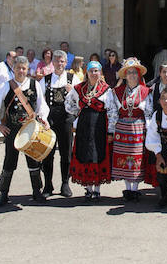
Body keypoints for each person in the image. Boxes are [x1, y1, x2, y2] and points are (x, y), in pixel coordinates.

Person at [0, 55, 50, 206]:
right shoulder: (6, 86)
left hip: (31, 129)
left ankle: (37, 192)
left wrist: (44, 119)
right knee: (9, 161)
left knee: (34, 160)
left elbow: (42, 106)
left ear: (28, 69)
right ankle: (3, 193)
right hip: (13, 130)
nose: (21, 71)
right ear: (13, 69)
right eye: (18, 68)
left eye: (23, 68)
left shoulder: (34, 84)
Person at [65, 60, 118, 200]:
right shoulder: (79, 89)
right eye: (91, 71)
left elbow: (112, 111)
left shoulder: (106, 89)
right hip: (84, 126)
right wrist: (77, 112)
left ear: (100, 73)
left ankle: (97, 189)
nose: (94, 73)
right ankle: (88, 188)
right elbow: (68, 104)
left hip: (99, 125)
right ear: (86, 73)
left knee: (97, 153)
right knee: (85, 153)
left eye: (96, 71)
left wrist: (110, 131)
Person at [111, 57, 151, 201]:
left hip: (138, 129)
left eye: (135, 72)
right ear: (125, 76)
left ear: (139, 75)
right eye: (129, 73)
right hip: (122, 129)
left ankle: (135, 189)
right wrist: (111, 130)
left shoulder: (146, 92)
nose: (132, 75)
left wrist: (149, 130)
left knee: (136, 158)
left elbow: (148, 113)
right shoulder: (117, 91)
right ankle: (127, 189)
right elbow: (113, 112)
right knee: (123, 158)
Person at [39, 50, 76, 197]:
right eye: (57, 61)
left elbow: (80, 99)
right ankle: (48, 185)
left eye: (62, 61)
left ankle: (65, 183)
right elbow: (40, 102)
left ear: (66, 63)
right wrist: (42, 119)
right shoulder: (45, 80)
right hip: (50, 121)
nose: (59, 64)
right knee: (48, 153)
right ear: (52, 62)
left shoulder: (73, 79)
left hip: (66, 119)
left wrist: (73, 91)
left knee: (66, 153)